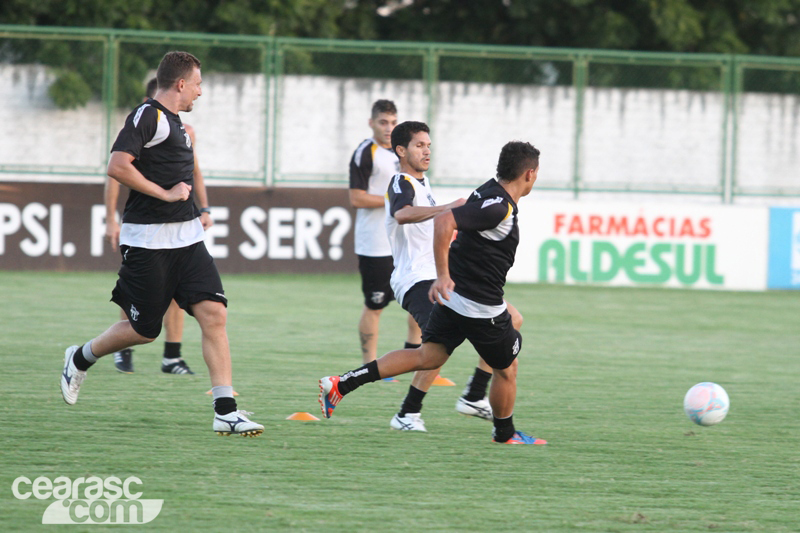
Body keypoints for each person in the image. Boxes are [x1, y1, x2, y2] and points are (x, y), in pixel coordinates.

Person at [60, 51, 262, 437]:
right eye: (198, 84)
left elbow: (183, 176)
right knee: (143, 330)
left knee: (214, 314)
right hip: (148, 242)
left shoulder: (182, 128)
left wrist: (196, 207)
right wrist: (165, 195)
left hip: (188, 240)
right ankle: (80, 356)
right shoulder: (146, 115)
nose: (200, 93)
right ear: (181, 84)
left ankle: (226, 409)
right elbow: (118, 166)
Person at [320, 140, 546, 445]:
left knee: (428, 355)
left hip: (455, 301)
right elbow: (445, 220)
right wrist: (442, 276)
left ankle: (343, 384)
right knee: (507, 369)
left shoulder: (488, 190)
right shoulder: (499, 207)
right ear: (530, 174)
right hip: (479, 307)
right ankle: (504, 433)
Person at [381, 121, 496, 432]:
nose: (427, 150)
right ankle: (407, 412)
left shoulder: (423, 183)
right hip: (415, 279)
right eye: (419, 145)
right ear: (401, 150)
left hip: (437, 277)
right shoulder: (400, 182)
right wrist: (448, 209)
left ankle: (471, 395)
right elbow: (402, 214)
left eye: (428, 145)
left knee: (509, 321)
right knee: (437, 347)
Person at [104, 77, 213, 376]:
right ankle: (121, 350)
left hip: (179, 227)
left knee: (180, 294)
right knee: (135, 294)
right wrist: (110, 218)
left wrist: (203, 209)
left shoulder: (184, 131)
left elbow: (195, 173)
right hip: (144, 226)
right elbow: (115, 174)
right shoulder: (144, 122)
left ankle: (172, 356)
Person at [348, 100, 421, 371]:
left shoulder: (404, 151)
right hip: (375, 243)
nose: (389, 128)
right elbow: (356, 198)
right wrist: (394, 201)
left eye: (393, 122)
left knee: (419, 299)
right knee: (375, 305)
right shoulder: (366, 153)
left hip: (405, 241)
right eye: (383, 122)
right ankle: (369, 367)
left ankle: (416, 359)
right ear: (371, 123)